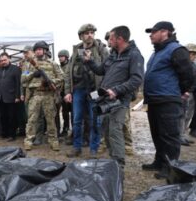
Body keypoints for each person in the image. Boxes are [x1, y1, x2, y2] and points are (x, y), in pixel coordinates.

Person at [142, 21, 195, 179]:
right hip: (154, 100)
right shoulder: (156, 52)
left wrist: (182, 91)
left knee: (169, 136)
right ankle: (159, 161)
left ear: (165, 32)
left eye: (153, 31)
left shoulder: (177, 50)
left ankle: (170, 167)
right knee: (157, 134)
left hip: (168, 100)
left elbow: (188, 75)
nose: (150, 35)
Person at [85, 26, 144, 167]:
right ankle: (113, 160)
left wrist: (116, 90)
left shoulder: (134, 55)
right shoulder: (113, 55)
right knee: (105, 128)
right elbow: (100, 70)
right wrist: (89, 61)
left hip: (120, 100)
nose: (109, 40)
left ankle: (119, 163)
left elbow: (136, 79)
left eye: (111, 38)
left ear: (120, 39)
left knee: (114, 129)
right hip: (106, 99)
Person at [64, 23, 109, 157]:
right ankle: (76, 147)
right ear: (81, 36)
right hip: (78, 90)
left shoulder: (101, 49)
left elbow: (108, 69)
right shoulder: (76, 50)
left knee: (95, 119)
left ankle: (93, 149)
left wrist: (104, 90)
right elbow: (68, 73)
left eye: (92, 33)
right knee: (77, 119)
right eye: (87, 33)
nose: (90, 35)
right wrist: (67, 91)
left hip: (95, 90)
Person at [22, 41, 63, 151]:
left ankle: (53, 141)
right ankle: (28, 141)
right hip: (35, 95)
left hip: (48, 95)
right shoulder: (29, 64)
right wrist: (32, 74)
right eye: (36, 49)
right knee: (32, 120)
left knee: (50, 120)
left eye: (40, 49)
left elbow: (61, 78)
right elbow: (23, 80)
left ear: (45, 50)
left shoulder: (53, 63)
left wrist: (51, 82)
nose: (38, 51)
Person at [0, 52, 21, 141]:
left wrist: (17, 96)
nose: (3, 62)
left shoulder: (15, 69)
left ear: (9, 59)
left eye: (5, 60)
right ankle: (4, 134)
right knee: (2, 117)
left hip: (12, 97)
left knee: (12, 117)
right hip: (0, 97)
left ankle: (12, 135)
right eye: (1, 60)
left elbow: (18, 83)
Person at [179, 43, 196, 145]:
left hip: (191, 93)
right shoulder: (181, 65)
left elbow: (195, 80)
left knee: (187, 115)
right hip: (182, 93)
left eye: (195, 55)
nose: (194, 56)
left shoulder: (193, 65)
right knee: (181, 115)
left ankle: (182, 135)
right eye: (192, 54)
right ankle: (179, 136)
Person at [57, 49, 71, 137]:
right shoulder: (59, 67)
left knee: (71, 112)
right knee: (64, 112)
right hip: (61, 92)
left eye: (61, 57)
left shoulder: (69, 66)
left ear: (66, 57)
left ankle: (69, 129)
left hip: (68, 92)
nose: (60, 58)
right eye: (59, 57)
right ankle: (65, 128)